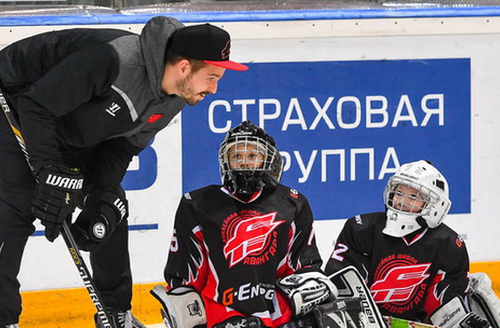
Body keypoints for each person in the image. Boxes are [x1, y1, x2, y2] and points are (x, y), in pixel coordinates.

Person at [0, 16, 248, 328]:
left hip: (64, 122)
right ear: (184, 67)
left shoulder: (174, 98)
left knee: (110, 207)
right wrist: (50, 170)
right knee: (15, 209)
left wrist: (101, 194)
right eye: (212, 77)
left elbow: (120, 149)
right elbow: (35, 104)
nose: (214, 89)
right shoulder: (114, 60)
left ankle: (115, 315)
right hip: (14, 102)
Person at [151, 121, 337, 328]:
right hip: (221, 318)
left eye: (252, 156)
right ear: (226, 160)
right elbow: (183, 275)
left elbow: (305, 265)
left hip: (278, 317)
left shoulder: (293, 203)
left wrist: (307, 294)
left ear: (268, 160)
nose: (244, 163)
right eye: (237, 156)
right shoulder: (197, 204)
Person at [325, 160, 471, 325]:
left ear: (436, 206)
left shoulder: (449, 245)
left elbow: (445, 311)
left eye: (414, 197)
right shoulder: (361, 229)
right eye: (399, 193)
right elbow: (342, 290)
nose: (402, 201)